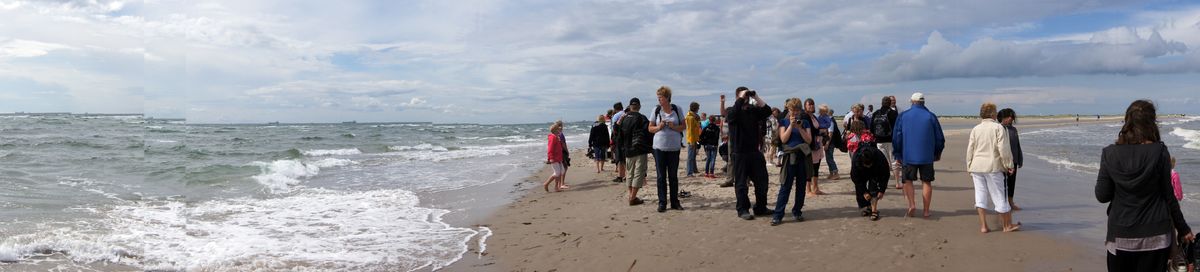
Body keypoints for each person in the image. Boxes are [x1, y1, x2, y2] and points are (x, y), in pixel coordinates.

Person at [1096, 100, 1192, 271]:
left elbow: (1102, 195)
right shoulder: (1160, 151)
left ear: (1127, 121)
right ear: (1152, 123)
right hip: (1156, 236)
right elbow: (1169, 196)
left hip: (1120, 235)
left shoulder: (1109, 153)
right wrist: (1183, 229)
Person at [966, 103, 1019, 233]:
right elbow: (1004, 149)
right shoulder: (998, 128)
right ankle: (1007, 226)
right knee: (1000, 195)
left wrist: (969, 166)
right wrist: (1009, 165)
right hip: (993, 166)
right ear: (993, 114)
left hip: (976, 166)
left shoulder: (976, 128)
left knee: (980, 195)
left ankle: (984, 226)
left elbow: (970, 149)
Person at [893, 92, 945, 218]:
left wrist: (898, 154)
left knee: (907, 181)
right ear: (923, 102)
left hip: (908, 155)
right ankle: (926, 211)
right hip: (927, 156)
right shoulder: (930, 116)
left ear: (912, 102)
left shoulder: (903, 116)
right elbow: (940, 138)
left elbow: (897, 137)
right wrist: (937, 153)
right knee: (926, 182)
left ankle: (912, 205)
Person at [726, 87, 774, 220]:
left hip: (754, 151)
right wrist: (741, 98)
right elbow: (731, 117)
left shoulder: (753, 110)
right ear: (738, 96)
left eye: (747, 96)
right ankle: (742, 209)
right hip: (739, 152)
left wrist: (756, 97)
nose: (746, 98)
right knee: (741, 184)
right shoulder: (732, 110)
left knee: (762, 181)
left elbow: (767, 111)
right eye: (744, 96)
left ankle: (761, 207)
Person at [771, 98, 813, 226]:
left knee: (801, 187)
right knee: (785, 186)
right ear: (788, 110)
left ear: (800, 110)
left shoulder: (805, 122)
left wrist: (799, 128)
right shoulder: (783, 122)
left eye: (796, 110)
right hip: (789, 157)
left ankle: (797, 211)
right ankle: (778, 215)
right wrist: (791, 125)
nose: (794, 113)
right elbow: (783, 139)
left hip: (802, 157)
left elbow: (809, 140)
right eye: (791, 110)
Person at [649, 86, 686, 212]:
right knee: (661, 176)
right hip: (659, 148)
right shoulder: (656, 110)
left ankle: (675, 202)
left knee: (673, 176)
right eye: (658, 97)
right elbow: (650, 128)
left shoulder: (677, 109)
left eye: (661, 97)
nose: (659, 100)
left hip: (674, 148)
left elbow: (683, 127)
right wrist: (659, 127)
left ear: (667, 98)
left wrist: (673, 126)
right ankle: (662, 203)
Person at [619, 98, 653, 206]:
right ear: (639, 106)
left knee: (630, 173)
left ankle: (631, 195)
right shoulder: (641, 118)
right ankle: (633, 197)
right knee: (639, 173)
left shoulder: (624, 118)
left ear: (629, 106)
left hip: (627, 150)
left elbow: (619, 136)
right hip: (639, 149)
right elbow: (649, 133)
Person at [870, 96, 901, 190]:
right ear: (889, 103)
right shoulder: (893, 113)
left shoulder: (875, 113)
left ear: (881, 103)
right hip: (891, 141)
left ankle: (883, 183)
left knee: (883, 163)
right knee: (894, 162)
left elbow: (872, 128)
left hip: (879, 141)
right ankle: (897, 183)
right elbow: (897, 127)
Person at [852, 142, 889, 221]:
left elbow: (885, 175)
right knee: (861, 190)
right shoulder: (856, 159)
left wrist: (882, 189)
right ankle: (868, 207)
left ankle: (874, 210)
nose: (868, 166)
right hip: (861, 172)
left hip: (876, 171)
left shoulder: (879, 157)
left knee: (873, 189)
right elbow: (856, 178)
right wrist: (864, 192)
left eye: (869, 165)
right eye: (866, 165)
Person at [998, 108, 1023, 210]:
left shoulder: (1014, 129)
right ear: (1002, 118)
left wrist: (1020, 159)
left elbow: (1018, 145)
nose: (1011, 119)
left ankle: (1010, 202)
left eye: (1012, 117)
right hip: (1002, 162)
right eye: (1009, 117)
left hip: (1014, 161)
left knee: (1012, 183)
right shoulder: (999, 129)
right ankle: (1002, 203)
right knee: (1002, 183)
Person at [804, 98, 825, 196]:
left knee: (816, 166)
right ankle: (808, 190)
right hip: (810, 145)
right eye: (809, 104)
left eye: (813, 104)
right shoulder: (804, 116)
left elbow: (817, 128)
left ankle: (815, 188)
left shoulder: (814, 117)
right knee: (809, 167)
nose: (812, 106)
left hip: (817, 144)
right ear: (805, 106)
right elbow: (808, 130)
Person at [543, 122, 566, 192]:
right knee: (557, 173)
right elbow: (550, 149)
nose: (560, 130)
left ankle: (556, 187)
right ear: (555, 130)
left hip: (559, 157)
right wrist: (551, 158)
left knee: (562, 171)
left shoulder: (557, 137)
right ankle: (546, 184)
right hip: (554, 158)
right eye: (559, 129)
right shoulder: (553, 137)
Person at [818, 104, 839, 180]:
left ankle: (835, 173)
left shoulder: (829, 120)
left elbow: (830, 133)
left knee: (830, 158)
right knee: (828, 158)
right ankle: (831, 173)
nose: (819, 112)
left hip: (830, 142)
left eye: (821, 111)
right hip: (827, 141)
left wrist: (827, 143)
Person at [610, 102, 627, 183]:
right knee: (625, 158)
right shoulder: (626, 113)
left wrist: (612, 139)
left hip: (619, 139)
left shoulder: (616, 116)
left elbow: (614, 128)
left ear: (615, 109)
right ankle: (627, 175)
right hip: (626, 139)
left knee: (620, 159)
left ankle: (621, 176)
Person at [685, 101, 702, 178]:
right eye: (698, 108)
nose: (698, 109)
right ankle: (689, 172)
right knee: (690, 156)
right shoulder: (690, 117)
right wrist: (691, 141)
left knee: (693, 155)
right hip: (691, 139)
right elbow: (690, 130)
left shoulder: (695, 117)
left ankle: (694, 169)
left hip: (695, 138)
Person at [555, 120, 571, 190]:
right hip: (562, 152)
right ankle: (562, 184)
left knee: (560, 168)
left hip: (557, 152)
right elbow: (563, 144)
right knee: (564, 168)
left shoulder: (555, 133)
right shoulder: (561, 134)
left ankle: (559, 184)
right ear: (561, 126)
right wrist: (567, 151)